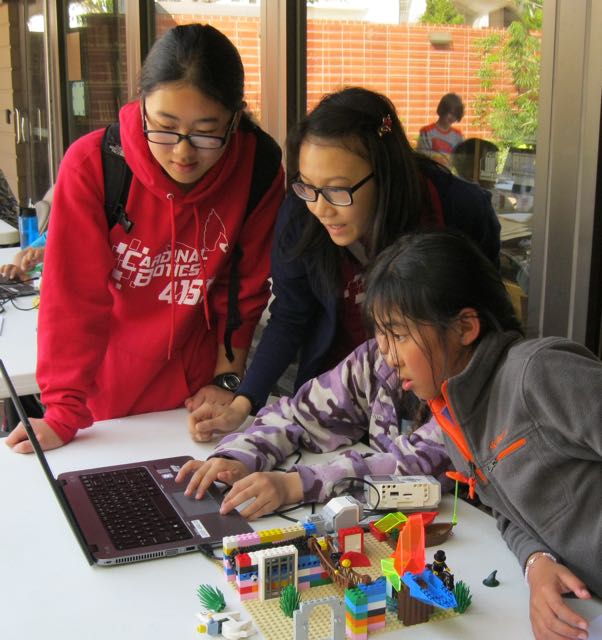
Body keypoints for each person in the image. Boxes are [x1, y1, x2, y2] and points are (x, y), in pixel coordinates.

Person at [180, 230, 601, 640]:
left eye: (399, 335)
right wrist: (537, 561)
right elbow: (509, 510)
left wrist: (295, 483)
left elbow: (406, 472)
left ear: (465, 327)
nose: (388, 354)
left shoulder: (538, 374)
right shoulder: (457, 411)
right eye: (380, 334)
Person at [5, 24, 284, 453]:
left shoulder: (258, 168)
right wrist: (62, 410)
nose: (183, 152)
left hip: (196, 399)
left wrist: (226, 379)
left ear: (235, 117)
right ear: (140, 108)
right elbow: (73, 298)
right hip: (104, 393)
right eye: (165, 128)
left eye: (207, 132)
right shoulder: (94, 165)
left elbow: (242, 293)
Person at [186, 86, 500, 442]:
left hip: (437, 414)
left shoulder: (456, 210)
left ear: (384, 173)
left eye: (337, 190)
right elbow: (291, 314)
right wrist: (243, 403)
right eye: (307, 186)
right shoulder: (300, 214)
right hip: (336, 401)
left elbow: (487, 322)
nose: (320, 208)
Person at [417, 93, 465, 167]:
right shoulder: (427, 131)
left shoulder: (458, 135)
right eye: (451, 113)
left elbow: (461, 158)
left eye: (455, 115)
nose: (452, 118)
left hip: (449, 175)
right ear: (443, 109)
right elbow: (422, 155)